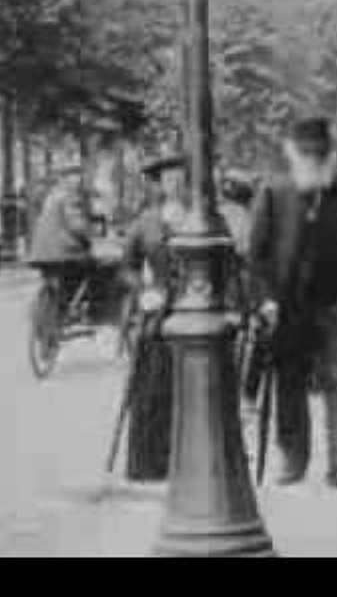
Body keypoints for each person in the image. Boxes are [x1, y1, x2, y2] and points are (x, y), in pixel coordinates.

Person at [247, 117, 337, 489]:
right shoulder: (272, 193)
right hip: (287, 305)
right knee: (288, 381)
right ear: (290, 153)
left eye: (319, 156)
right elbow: (255, 254)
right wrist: (265, 299)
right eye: (306, 154)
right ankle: (293, 459)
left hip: (334, 305)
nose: (313, 162)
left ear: (331, 157)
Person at [121, 154, 187, 482]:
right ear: (159, 184)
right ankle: (152, 462)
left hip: (194, 310)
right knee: (153, 384)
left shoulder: (201, 218)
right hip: (159, 312)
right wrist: (143, 289)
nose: (176, 185)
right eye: (169, 179)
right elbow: (127, 266)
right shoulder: (145, 222)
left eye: (181, 178)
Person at [28, 164, 93, 307]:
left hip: (41, 253)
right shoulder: (69, 197)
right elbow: (76, 225)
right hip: (62, 252)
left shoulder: (50, 197)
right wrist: (88, 240)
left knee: (55, 281)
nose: (78, 180)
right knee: (93, 269)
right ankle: (80, 307)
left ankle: (57, 306)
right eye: (75, 176)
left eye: (78, 176)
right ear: (64, 179)